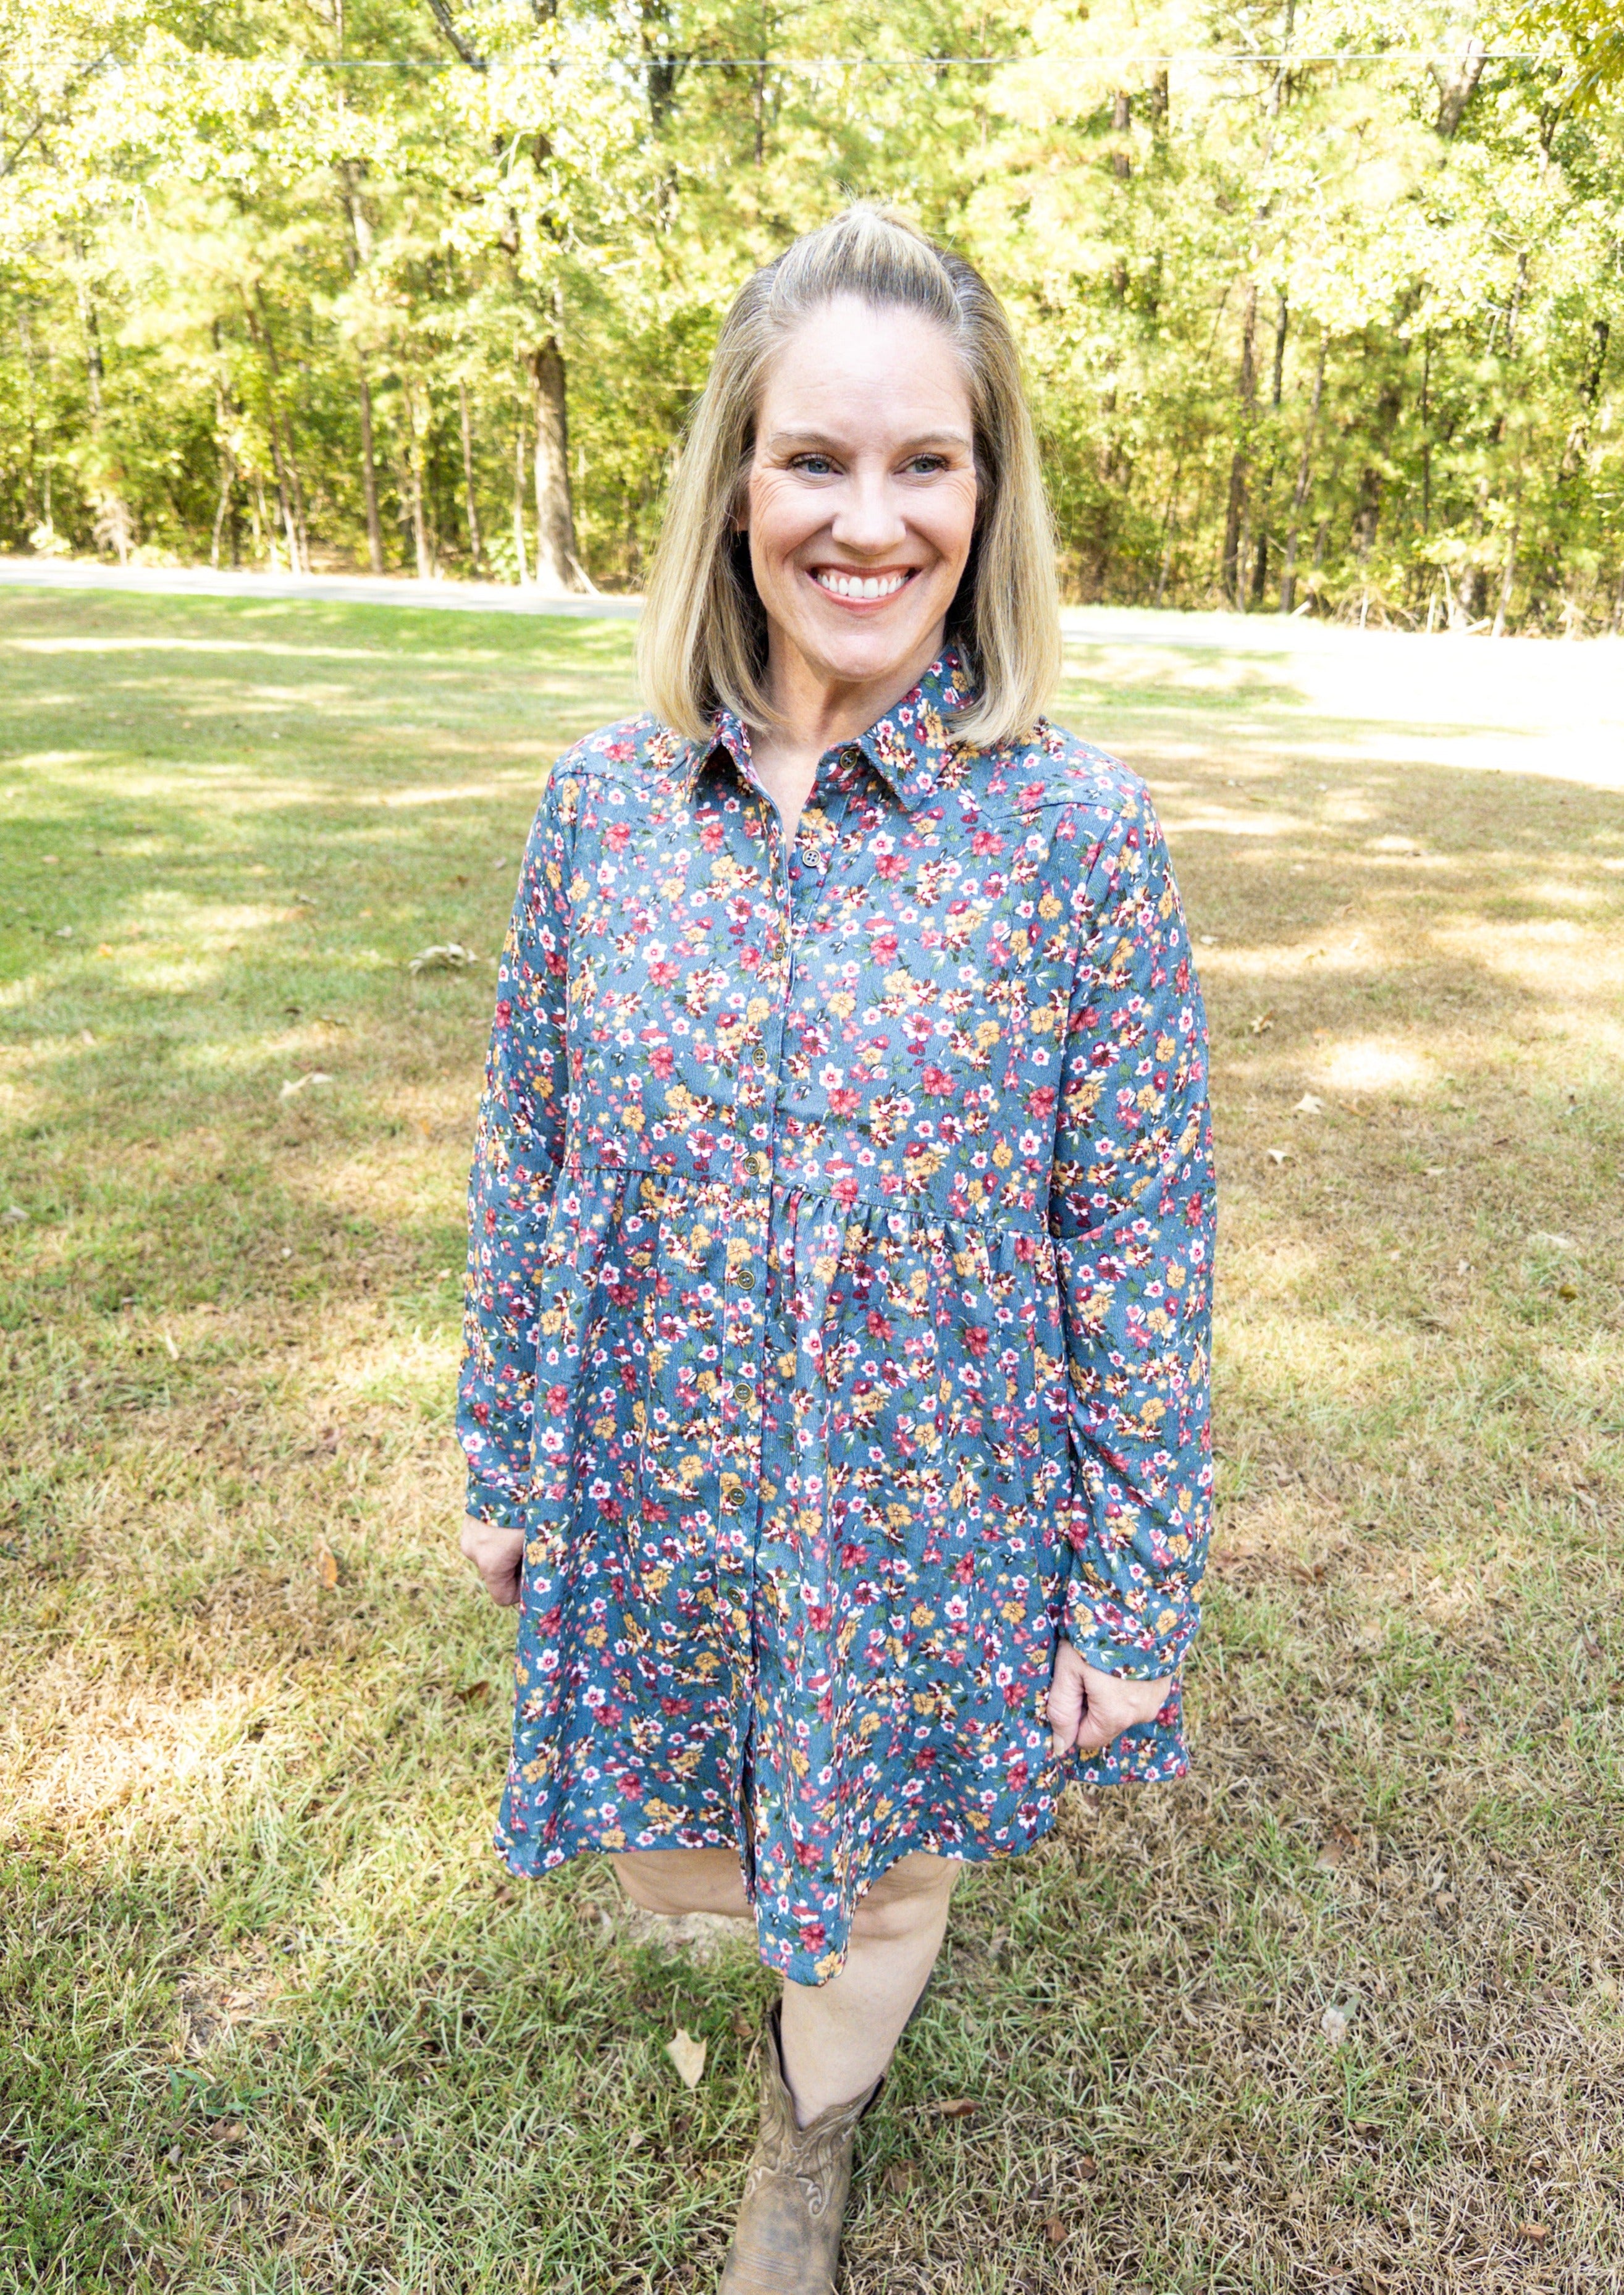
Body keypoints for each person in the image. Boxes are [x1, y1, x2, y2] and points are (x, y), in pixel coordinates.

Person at [458, 204, 1214, 2294]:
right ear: (735, 481)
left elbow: (1137, 1228)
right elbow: (531, 1150)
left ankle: (811, 2137)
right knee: (694, 1838)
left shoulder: (1074, 834)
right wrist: (513, 1452)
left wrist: (1137, 1584)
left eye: (925, 465)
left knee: (883, 1880)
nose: (869, 520)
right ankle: (791, 2008)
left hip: (933, 1505)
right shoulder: (604, 809)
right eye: (816, 459)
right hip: (664, 1469)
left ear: (990, 491)